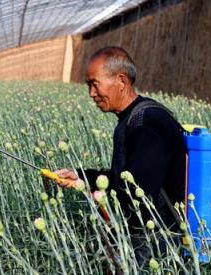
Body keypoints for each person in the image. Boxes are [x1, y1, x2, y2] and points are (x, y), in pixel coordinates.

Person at [55, 46, 187, 265]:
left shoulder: (148, 122)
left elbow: (140, 193)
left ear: (121, 81)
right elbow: (126, 178)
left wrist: (114, 233)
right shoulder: (134, 118)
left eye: (94, 84)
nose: (91, 94)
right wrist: (81, 177)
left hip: (158, 243)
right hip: (145, 237)